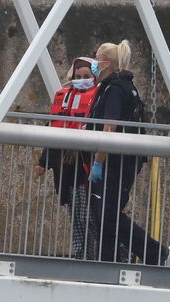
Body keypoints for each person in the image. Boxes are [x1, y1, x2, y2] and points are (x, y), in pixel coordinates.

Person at [86, 39, 167, 265]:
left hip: (115, 162)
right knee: (103, 216)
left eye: (97, 58)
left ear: (108, 63)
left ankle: (153, 251)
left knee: (108, 215)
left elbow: (109, 127)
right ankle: (107, 261)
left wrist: (98, 162)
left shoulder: (114, 89)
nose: (94, 62)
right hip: (123, 161)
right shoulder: (125, 87)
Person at [34, 57, 100, 260]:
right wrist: (43, 163)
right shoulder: (65, 98)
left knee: (87, 216)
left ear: (94, 77)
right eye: (78, 77)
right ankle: (82, 255)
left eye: (86, 76)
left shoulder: (97, 99)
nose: (81, 80)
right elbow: (52, 131)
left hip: (86, 169)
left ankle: (100, 254)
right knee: (76, 218)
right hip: (66, 169)